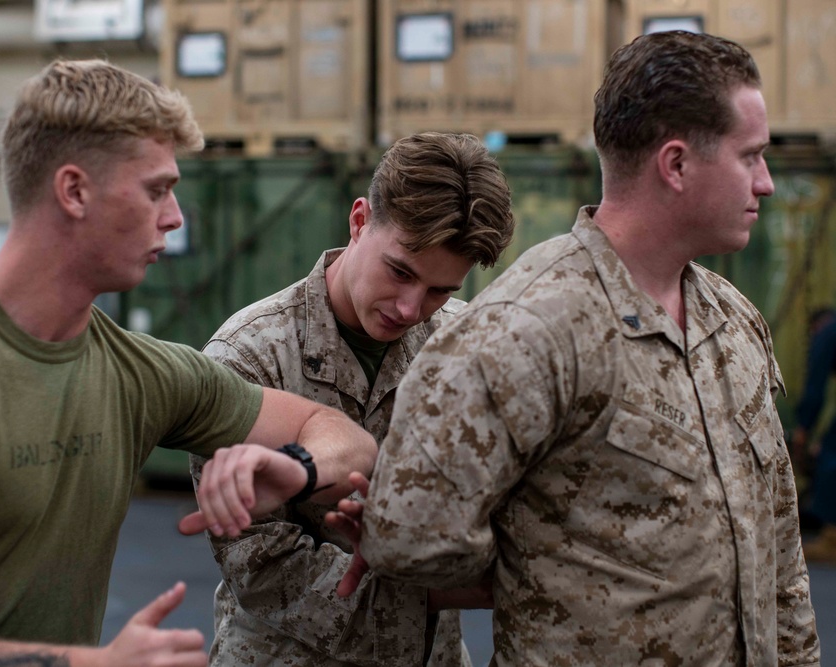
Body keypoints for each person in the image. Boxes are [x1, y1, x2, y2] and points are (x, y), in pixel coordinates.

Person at [0, 59, 377, 665]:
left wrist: (297, 469)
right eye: (156, 190)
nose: (174, 217)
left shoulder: (139, 373)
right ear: (73, 191)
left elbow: (345, 440)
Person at [333, 31, 821, 665]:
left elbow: (780, 552)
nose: (767, 183)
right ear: (675, 165)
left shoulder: (733, 322)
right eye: (750, 157)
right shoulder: (525, 329)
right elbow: (410, 537)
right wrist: (537, 563)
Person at [189, 132, 514, 666]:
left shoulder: (468, 350)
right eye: (400, 272)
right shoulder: (247, 356)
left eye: (440, 291)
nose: (411, 308)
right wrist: (437, 591)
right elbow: (263, 567)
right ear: (359, 220)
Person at [792, 307, 836, 562]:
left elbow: (815, 388)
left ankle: (832, 537)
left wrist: (803, 429)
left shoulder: (827, 333)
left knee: (831, 455)